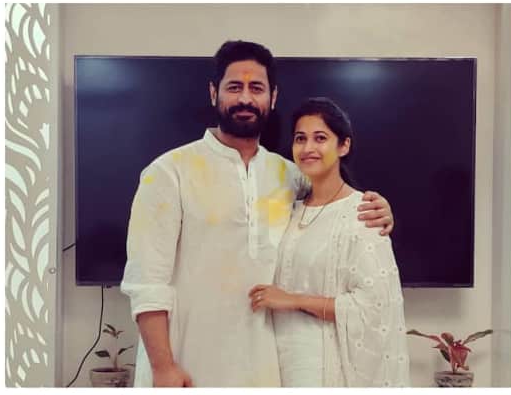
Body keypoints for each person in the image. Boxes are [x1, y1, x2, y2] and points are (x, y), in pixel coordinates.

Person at [120, 41, 395, 387]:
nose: (246, 99)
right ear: (214, 93)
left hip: (265, 368)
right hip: (185, 364)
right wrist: (163, 366)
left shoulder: (290, 176)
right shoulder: (169, 172)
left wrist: (379, 208)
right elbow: (147, 283)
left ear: (273, 97)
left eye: (257, 88)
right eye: (235, 87)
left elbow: (333, 205)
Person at [249, 97, 409, 387]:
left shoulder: (363, 213)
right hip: (277, 364)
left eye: (320, 138)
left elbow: (374, 307)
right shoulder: (288, 208)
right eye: (300, 138)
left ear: (343, 146)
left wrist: (292, 300)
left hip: (326, 371)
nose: (308, 147)